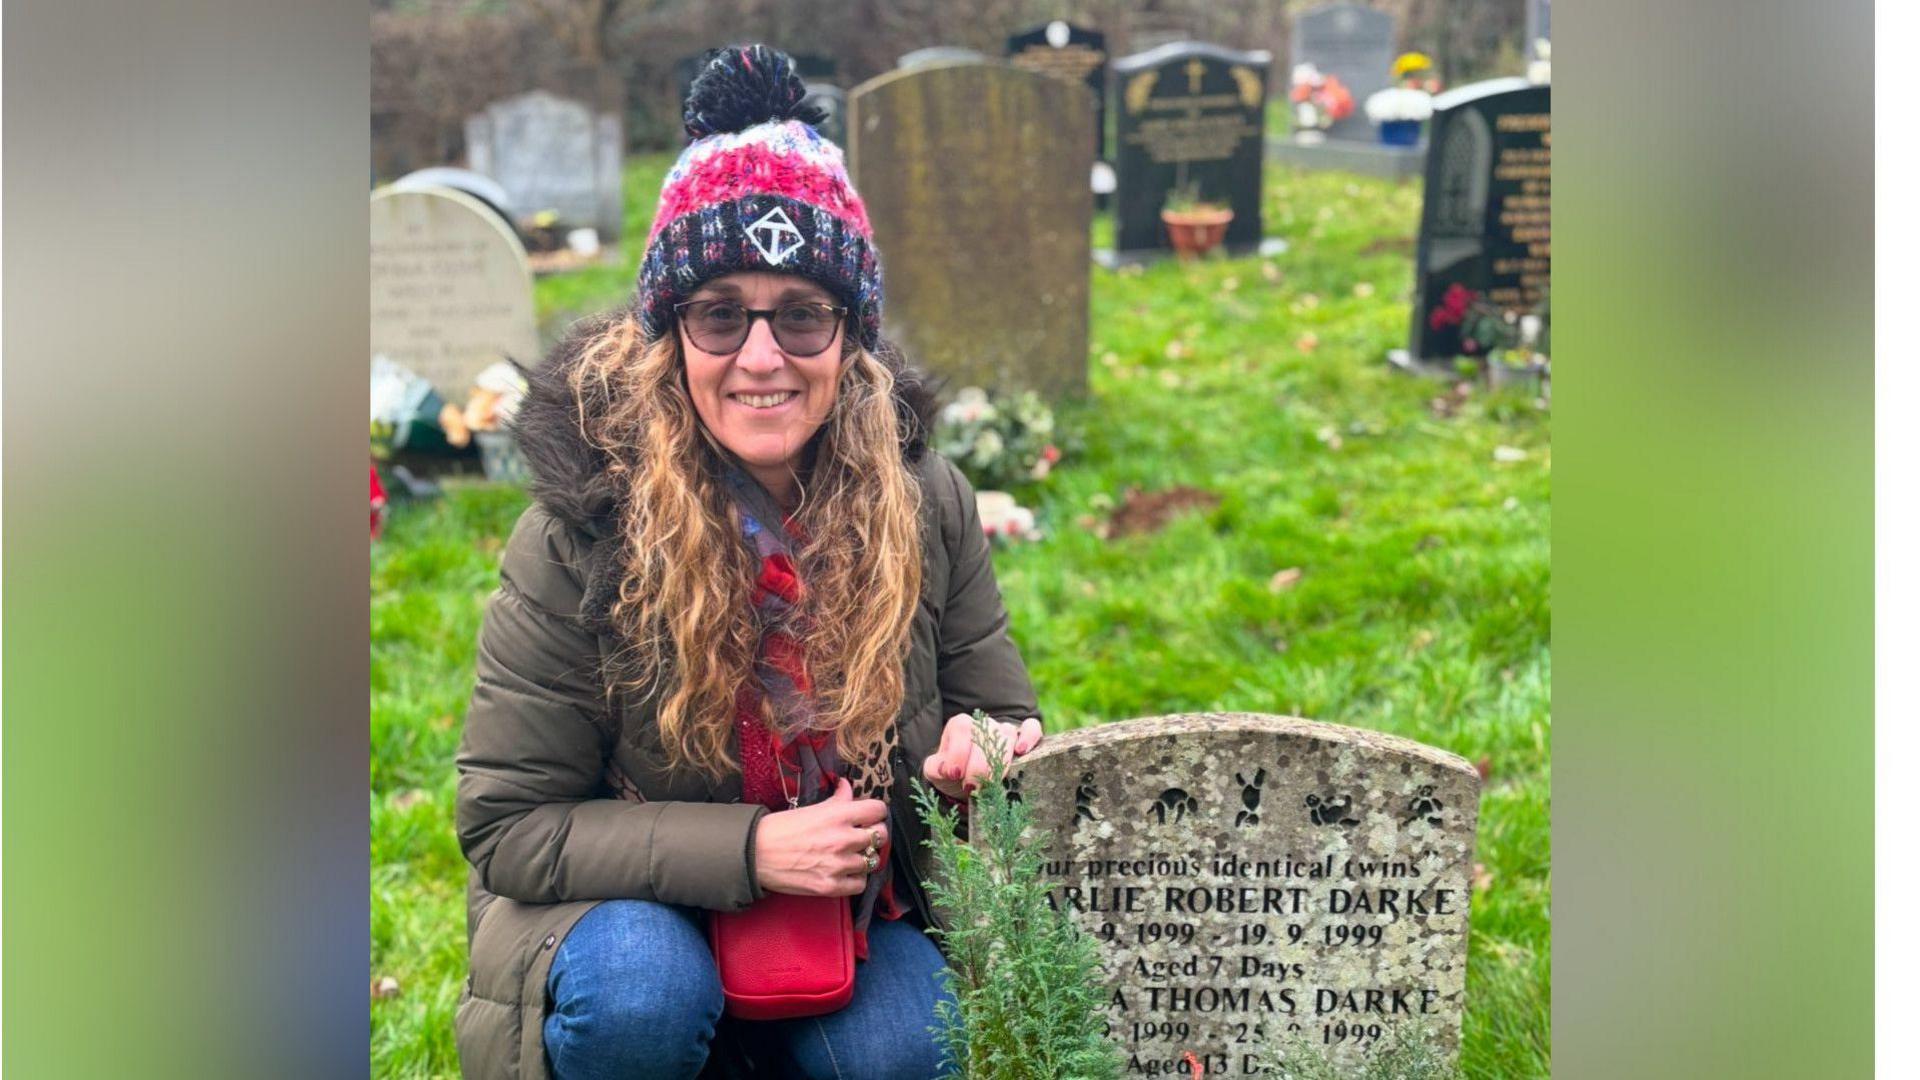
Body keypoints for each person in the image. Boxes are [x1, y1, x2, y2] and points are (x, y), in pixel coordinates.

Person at [453, 44, 1046, 1080]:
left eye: (801, 313)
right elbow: (508, 826)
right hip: (621, 911)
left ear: (850, 332)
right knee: (645, 1000)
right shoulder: (582, 522)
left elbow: (1000, 713)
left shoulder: (926, 500)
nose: (761, 357)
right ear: (670, 331)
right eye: (720, 312)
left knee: (907, 1052)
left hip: (848, 916)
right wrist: (750, 853)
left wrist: (980, 756)